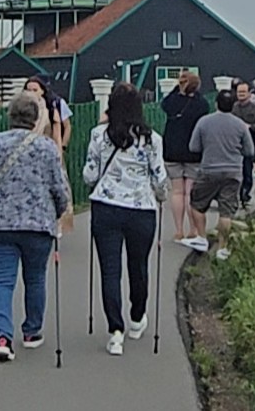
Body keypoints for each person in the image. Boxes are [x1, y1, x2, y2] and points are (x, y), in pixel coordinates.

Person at [0, 91, 69, 363]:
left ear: (10, 117)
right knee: (35, 278)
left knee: (2, 280)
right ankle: (31, 331)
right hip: (38, 224)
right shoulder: (48, 147)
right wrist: (58, 212)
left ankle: (3, 337)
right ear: (36, 118)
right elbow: (59, 189)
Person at [83, 83, 169, 357]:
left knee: (110, 269)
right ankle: (136, 317)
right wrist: (161, 196)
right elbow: (160, 177)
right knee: (139, 265)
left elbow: (89, 175)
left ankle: (115, 331)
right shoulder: (151, 138)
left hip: (106, 206)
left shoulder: (99, 135)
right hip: (141, 208)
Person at [182, 90, 253, 260]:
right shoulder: (240, 125)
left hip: (209, 170)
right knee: (226, 212)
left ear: (216, 103)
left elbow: (194, 147)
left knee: (197, 204)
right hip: (233, 172)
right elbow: (249, 150)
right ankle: (223, 248)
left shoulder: (204, 122)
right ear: (233, 105)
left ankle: (201, 238)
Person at [161, 70, 209, 240]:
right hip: (194, 151)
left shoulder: (172, 102)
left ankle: (178, 229)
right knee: (190, 193)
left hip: (172, 150)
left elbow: (164, 104)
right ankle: (193, 229)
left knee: (177, 192)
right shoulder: (201, 104)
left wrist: (177, 89)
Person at [24, 76, 74, 232]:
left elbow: (66, 126)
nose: (31, 93)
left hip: (52, 149)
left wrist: (62, 146)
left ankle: (58, 221)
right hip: (29, 153)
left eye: (35, 90)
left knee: (57, 186)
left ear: (43, 91)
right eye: (28, 89)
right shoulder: (23, 107)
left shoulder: (55, 104)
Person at [231, 81, 255, 207]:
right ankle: (235, 194)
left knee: (247, 169)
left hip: (249, 142)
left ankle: (245, 194)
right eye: (239, 92)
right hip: (234, 144)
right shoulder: (233, 108)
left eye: (243, 92)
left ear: (249, 93)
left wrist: (250, 127)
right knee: (235, 170)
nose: (241, 94)